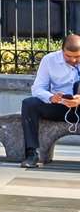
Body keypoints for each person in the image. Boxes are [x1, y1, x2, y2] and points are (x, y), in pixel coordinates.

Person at [20, 34, 80, 169]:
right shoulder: (49, 60)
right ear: (62, 50)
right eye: (68, 56)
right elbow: (37, 88)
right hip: (59, 106)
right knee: (29, 104)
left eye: (77, 57)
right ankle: (32, 154)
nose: (73, 60)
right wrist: (51, 97)